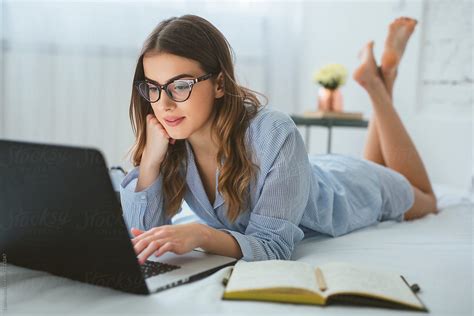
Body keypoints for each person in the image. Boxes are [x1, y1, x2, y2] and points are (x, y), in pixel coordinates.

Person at [119, 15, 437, 263]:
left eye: (181, 85)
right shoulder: (171, 142)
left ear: (218, 84)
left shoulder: (273, 132)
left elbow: (273, 246)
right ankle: (381, 78)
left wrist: (202, 234)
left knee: (426, 198)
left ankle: (379, 86)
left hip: (347, 189)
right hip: (306, 171)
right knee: (376, 165)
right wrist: (150, 162)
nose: (163, 103)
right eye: (153, 87)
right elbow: (142, 237)